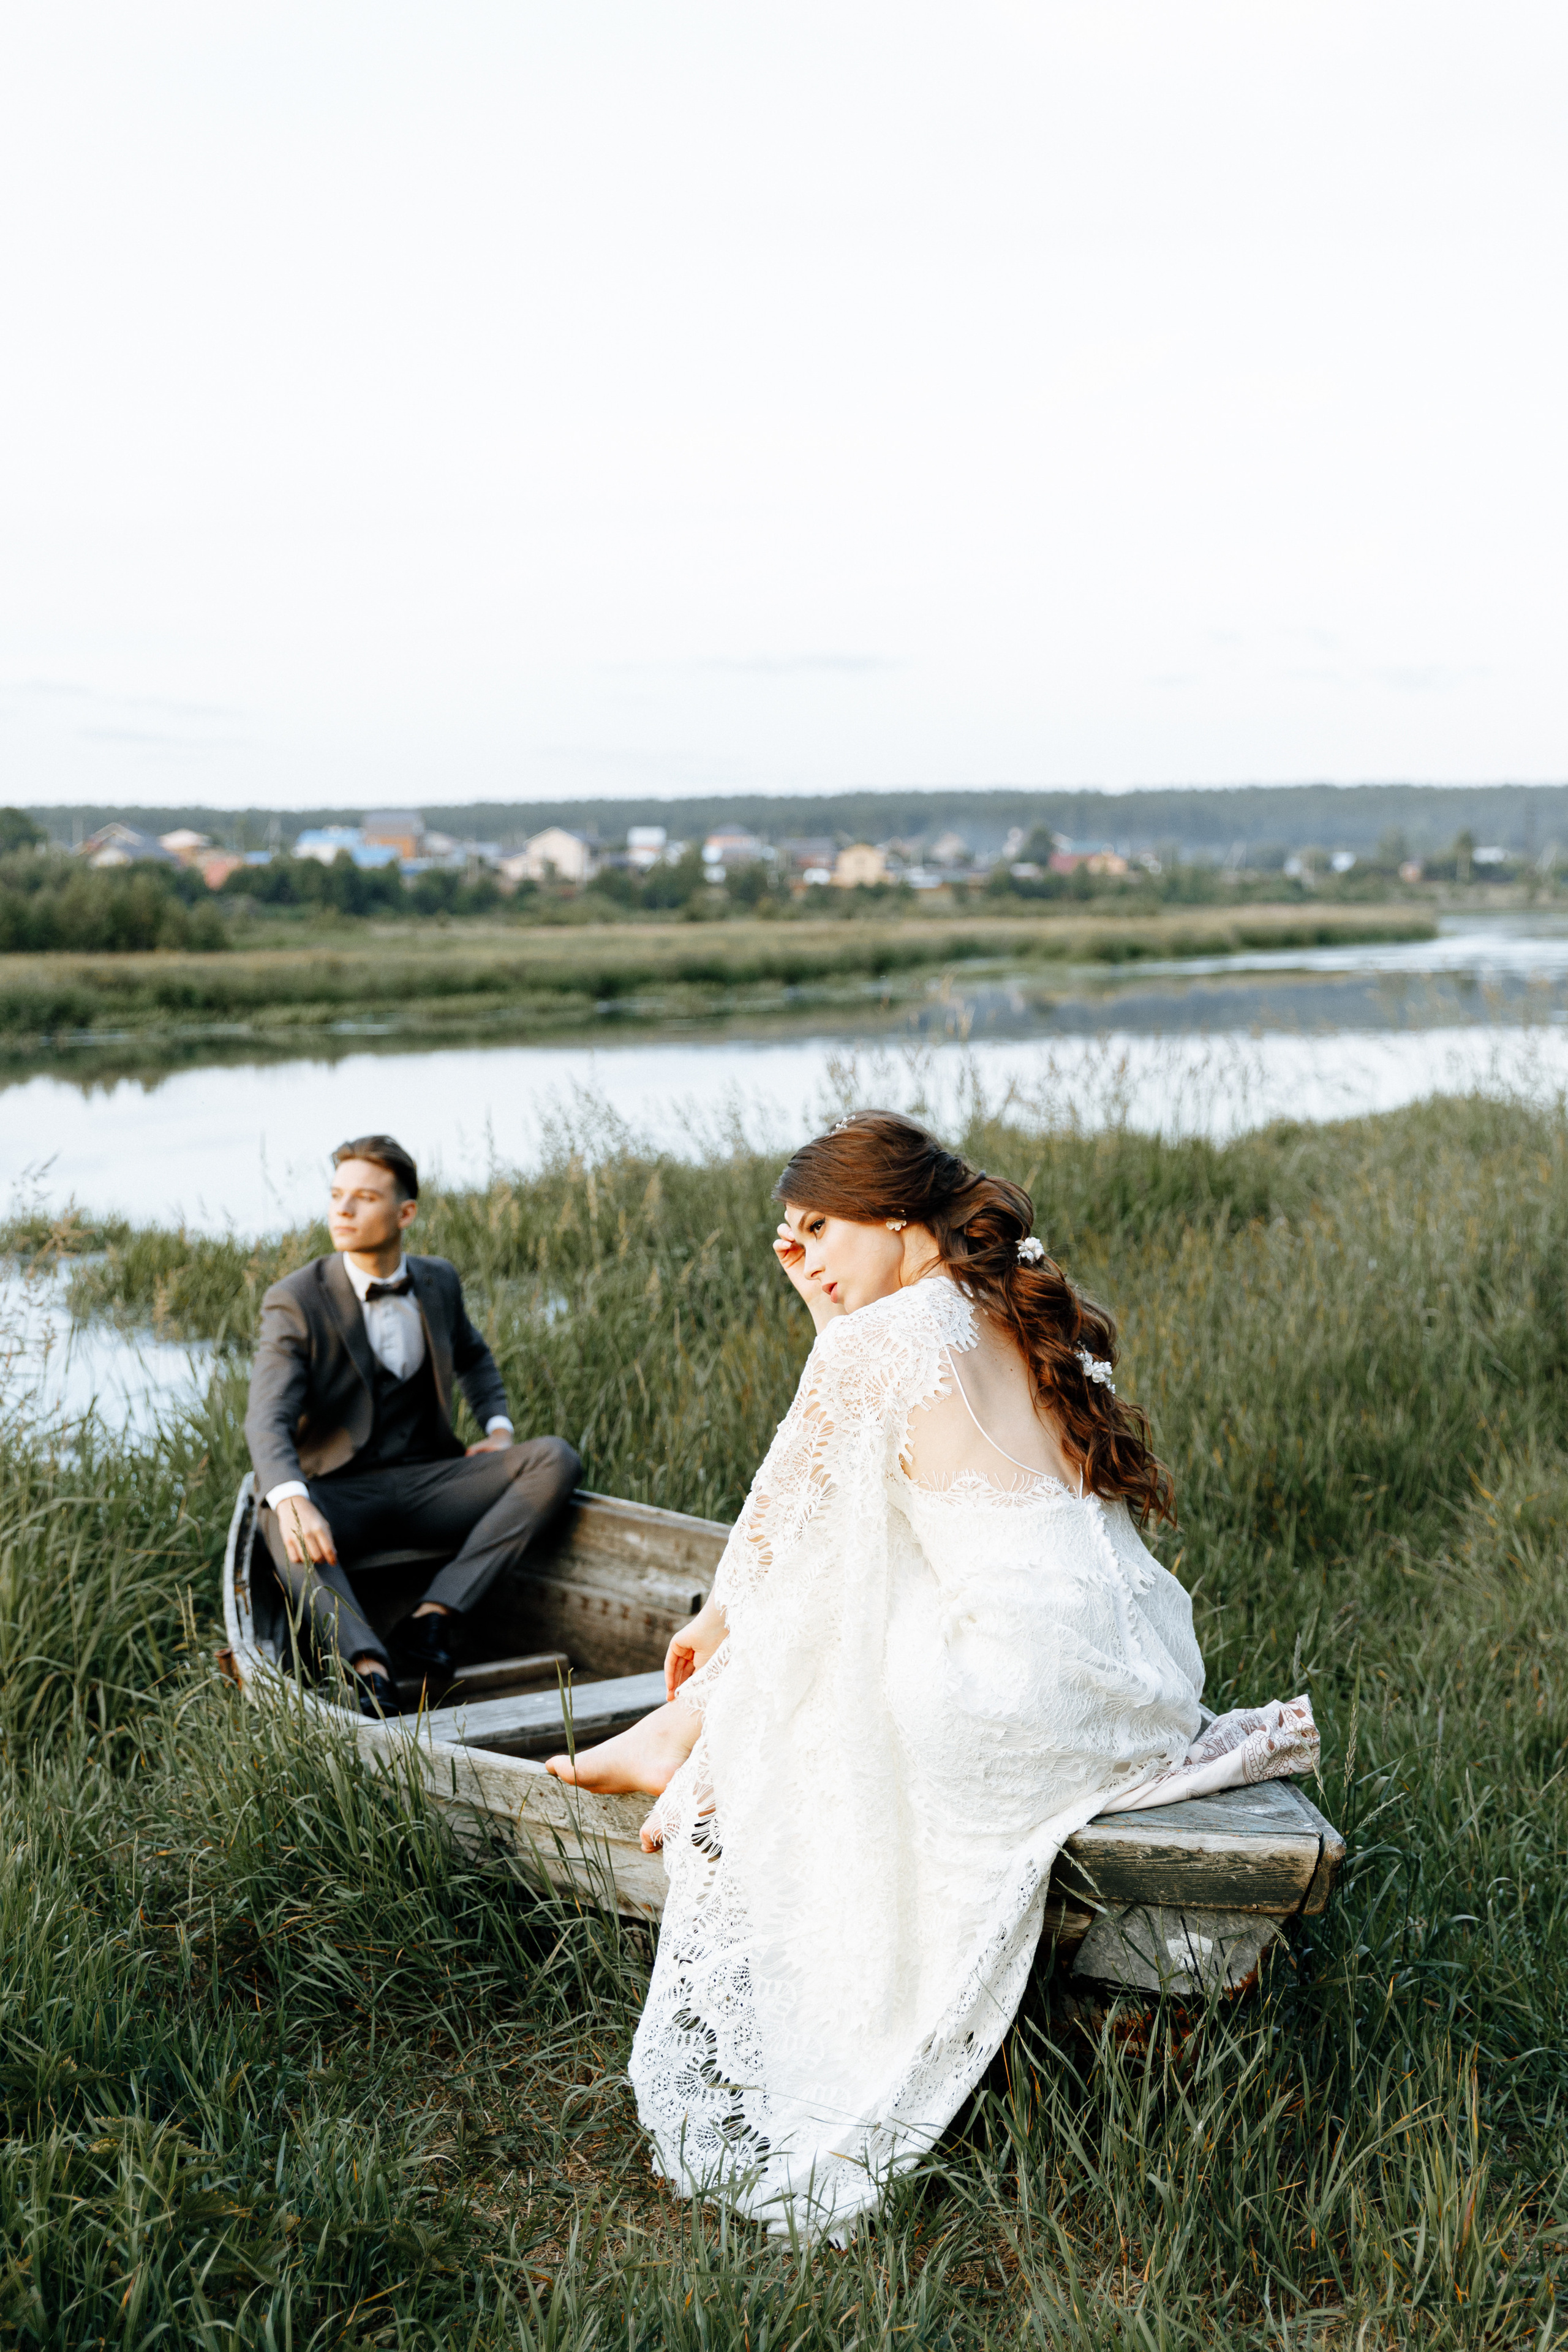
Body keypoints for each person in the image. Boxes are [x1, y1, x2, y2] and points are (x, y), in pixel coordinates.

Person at [548, 1110, 1314, 2237]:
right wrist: (829, 1308)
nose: (798, 1253)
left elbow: (782, 1518)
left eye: (818, 1228)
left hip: (1012, 1690)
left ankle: (685, 1739)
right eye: (787, 1235)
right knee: (890, 1554)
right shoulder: (1006, 1305)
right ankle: (687, 1740)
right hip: (1135, 1672)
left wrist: (716, 1627)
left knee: (835, 1605)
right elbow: (853, 1462)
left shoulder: (880, 1343)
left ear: (898, 1219)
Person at [244, 1134, 579, 1716]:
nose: (342, 1211)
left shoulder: (438, 1280)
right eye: (336, 1196)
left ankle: (433, 1617)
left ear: (405, 1214)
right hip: (340, 1495)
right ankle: (369, 1666)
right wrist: (295, 1499)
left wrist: (498, 1427)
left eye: (364, 1198)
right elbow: (266, 1418)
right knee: (278, 1517)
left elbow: (474, 1357)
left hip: (431, 1482)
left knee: (554, 1458)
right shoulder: (296, 1298)